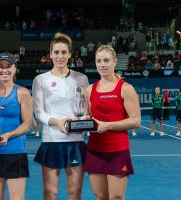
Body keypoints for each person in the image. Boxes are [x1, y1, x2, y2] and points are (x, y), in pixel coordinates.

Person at [32, 32, 89, 200]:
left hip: (76, 142)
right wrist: (57, 122)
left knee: (74, 194)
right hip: (51, 141)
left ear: (70, 54)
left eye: (64, 52)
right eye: (56, 52)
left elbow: (85, 110)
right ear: (50, 54)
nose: (60, 56)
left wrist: (85, 119)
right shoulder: (41, 79)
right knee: (50, 194)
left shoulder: (82, 78)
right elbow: (38, 112)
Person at [84, 45, 141, 200]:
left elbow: (136, 121)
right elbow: (89, 118)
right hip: (95, 149)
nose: (102, 64)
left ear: (115, 62)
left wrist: (108, 125)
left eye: (106, 60)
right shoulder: (89, 90)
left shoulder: (126, 88)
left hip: (117, 150)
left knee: (116, 197)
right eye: (99, 61)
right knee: (100, 195)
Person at [0, 52, 32, 200]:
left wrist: (8, 135)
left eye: (8, 66)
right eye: (1, 66)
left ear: (15, 68)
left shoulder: (23, 93)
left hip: (15, 153)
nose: (4, 70)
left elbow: (27, 125)